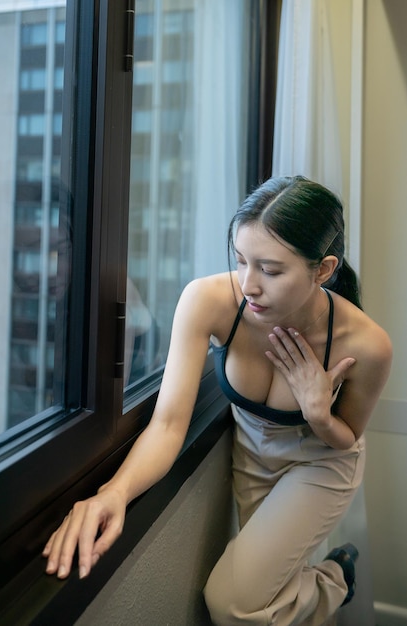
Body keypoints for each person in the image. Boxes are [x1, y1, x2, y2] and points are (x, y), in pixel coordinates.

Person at [43, 175, 392, 625]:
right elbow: (168, 425)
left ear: (323, 270)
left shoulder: (366, 343)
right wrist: (111, 494)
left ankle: (334, 579)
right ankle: (330, 581)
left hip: (320, 460)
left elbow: (346, 439)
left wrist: (318, 412)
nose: (248, 284)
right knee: (267, 594)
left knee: (231, 604)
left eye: (270, 269)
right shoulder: (208, 300)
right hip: (251, 454)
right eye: (242, 260)